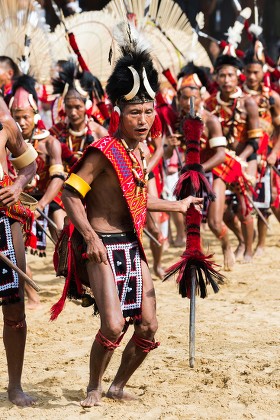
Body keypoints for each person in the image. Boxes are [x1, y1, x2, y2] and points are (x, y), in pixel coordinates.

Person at [52, 27, 203, 407]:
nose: (144, 119)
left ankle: (117, 386)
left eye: (149, 111)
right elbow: (70, 194)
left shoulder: (138, 152)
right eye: (135, 112)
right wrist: (88, 237)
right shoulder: (103, 151)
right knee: (114, 325)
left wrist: (179, 206)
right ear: (119, 111)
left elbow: (139, 200)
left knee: (149, 327)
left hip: (130, 246)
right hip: (101, 245)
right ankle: (93, 387)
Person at [175, 69, 235, 270]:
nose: (188, 102)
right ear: (180, 99)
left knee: (214, 222)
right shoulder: (179, 120)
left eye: (192, 97)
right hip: (192, 172)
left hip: (216, 170)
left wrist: (199, 168)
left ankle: (227, 246)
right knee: (190, 217)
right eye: (184, 98)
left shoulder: (211, 120)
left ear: (201, 96)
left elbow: (220, 155)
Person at [205, 54, 261, 262]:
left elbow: (255, 140)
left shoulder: (249, 103)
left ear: (238, 77)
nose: (226, 80)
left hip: (247, 157)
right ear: (217, 78)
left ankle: (248, 250)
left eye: (230, 75)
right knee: (223, 211)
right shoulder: (209, 104)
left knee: (244, 206)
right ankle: (239, 239)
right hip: (222, 159)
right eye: (222, 76)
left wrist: (241, 160)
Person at [0, 92, 37, 406]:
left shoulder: (6, 126)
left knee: (14, 308)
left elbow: (30, 164)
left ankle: (14, 386)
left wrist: (17, 186)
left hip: (4, 221)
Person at [243, 45, 280, 255]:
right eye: (248, 71)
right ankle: (247, 239)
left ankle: (261, 244)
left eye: (256, 72)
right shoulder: (237, 96)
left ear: (263, 72)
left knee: (266, 200)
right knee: (244, 197)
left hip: (267, 154)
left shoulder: (272, 97)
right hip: (246, 152)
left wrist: (275, 152)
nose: (252, 76)